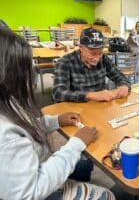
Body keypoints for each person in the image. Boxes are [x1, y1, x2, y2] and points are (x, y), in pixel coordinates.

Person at [0, 27, 115, 200]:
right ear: (81, 47)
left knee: (85, 166)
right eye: (25, 70)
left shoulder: (8, 101)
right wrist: (76, 143)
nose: (31, 78)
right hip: (35, 190)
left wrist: (56, 120)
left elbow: (26, 125)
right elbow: (28, 193)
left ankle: (77, 181)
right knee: (107, 195)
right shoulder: (7, 136)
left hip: (41, 159)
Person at [53, 28, 131, 102]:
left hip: (100, 106)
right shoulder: (65, 62)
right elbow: (58, 93)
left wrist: (124, 86)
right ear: (81, 48)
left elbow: (120, 77)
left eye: (100, 53)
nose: (97, 58)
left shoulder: (103, 59)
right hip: (77, 108)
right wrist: (90, 95)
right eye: (93, 53)